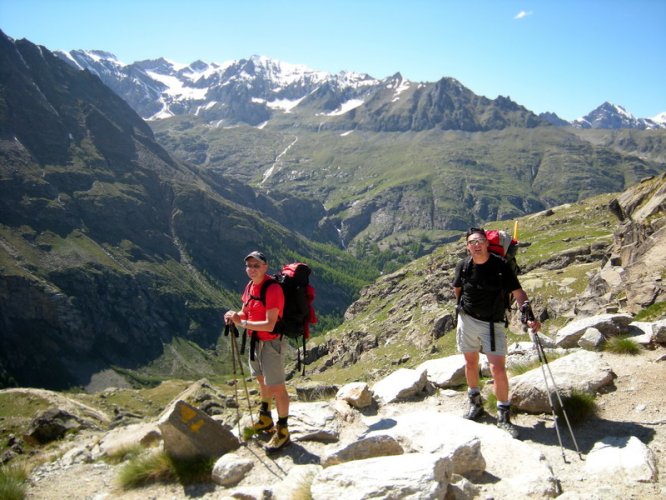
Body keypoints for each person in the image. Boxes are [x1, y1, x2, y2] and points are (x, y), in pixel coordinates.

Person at [452, 228, 540, 438]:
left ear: (486, 244)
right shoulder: (463, 265)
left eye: (480, 241)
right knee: (470, 363)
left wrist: (529, 315)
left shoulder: (500, 266)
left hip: (493, 323)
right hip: (467, 320)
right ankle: (476, 404)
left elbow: (518, 292)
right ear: (467, 246)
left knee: (497, 369)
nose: (476, 245)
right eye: (472, 242)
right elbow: (457, 289)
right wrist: (461, 309)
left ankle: (503, 415)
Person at [224, 250, 290, 452]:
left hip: (270, 343)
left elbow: (270, 324)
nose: (252, 269)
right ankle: (265, 418)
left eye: (256, 266)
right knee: (262, 380)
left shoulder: (273, 289)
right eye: (249, 266)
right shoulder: (250, 286)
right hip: (254, 341)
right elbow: (248, 310)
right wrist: (235, 315)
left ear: (265, 267)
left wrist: (243, 323)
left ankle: (283, 430)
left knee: (277, 387)